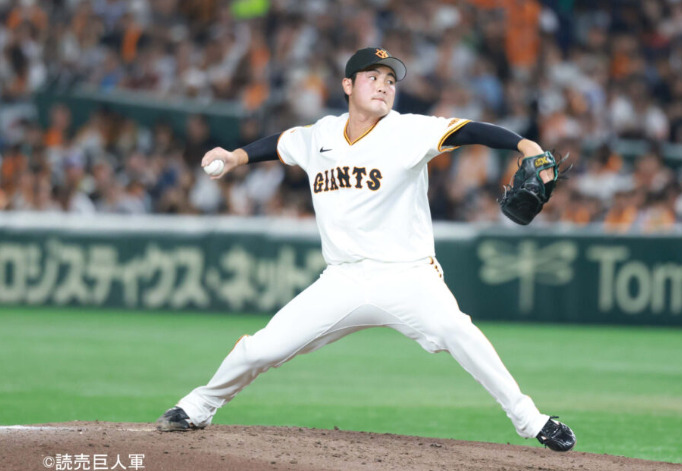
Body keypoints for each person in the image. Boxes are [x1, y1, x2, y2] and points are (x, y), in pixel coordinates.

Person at [156, 47, 576, 452]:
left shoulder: (408, 130)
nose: (383, 85)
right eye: (372, 77)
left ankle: (532, 420)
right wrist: (236, 156)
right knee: (262, 348)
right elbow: (281, 142)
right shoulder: (321, 135)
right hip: (343, 278)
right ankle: (198, 406)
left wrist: (524, 145)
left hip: (408, 274)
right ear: (347, 85)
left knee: (458, 332)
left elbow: (468, 130)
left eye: (390, 80)